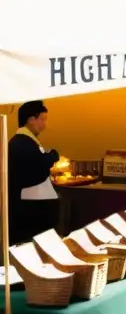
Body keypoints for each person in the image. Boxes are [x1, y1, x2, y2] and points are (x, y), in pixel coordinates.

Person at [8, 101, 61, 244]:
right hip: (29, 213)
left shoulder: (27, 142)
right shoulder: (20, 143)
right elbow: (37, 168)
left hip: (33, 208)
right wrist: (53, 156)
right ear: (31, 120)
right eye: (42, 119)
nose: (44, 125)